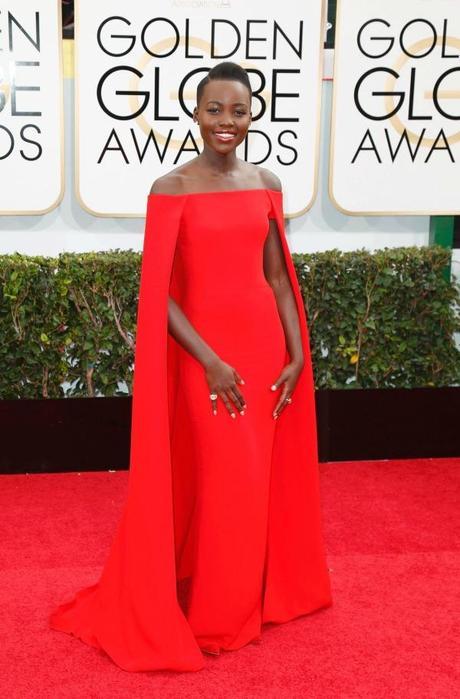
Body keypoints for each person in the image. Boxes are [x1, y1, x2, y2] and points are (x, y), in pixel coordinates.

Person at [49, 61, 332, 673]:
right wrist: (209, 360)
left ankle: (241, 596)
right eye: (215, 110)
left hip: (260, 352)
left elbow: (278, 275)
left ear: (251, 116)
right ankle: (216, 615)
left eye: (238, 110)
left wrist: (297, 349)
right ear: (196, 113)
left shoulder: (268, 182)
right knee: (221, 476)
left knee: (253, 477)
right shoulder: (170, 187)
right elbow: (160, 295)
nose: (226, 122)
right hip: (205, 359)